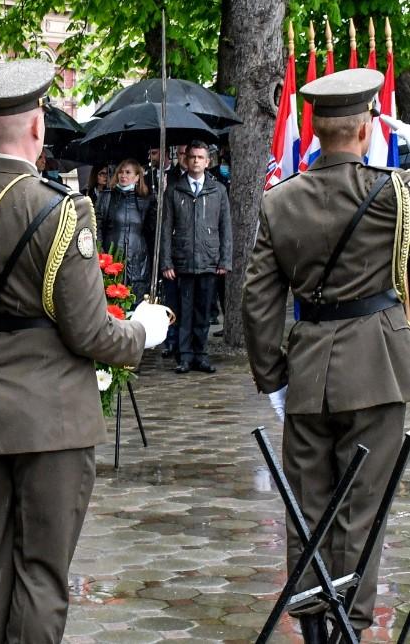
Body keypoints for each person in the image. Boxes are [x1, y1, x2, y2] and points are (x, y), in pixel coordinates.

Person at [0, 59, 170, 643]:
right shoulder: (62, 208)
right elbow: (91, 333)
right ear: (39, 128)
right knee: (42, 575)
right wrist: (144, 333)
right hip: (53, 417)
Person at [242, 68, 410, 642]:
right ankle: (351, 628)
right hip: (381, 372)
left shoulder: (279, 202)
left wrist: (271, 372)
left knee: (307, 508)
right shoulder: (393, 194)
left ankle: (315, 628)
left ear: (312, 131)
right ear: (367, 129)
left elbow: (258, 298)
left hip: (310, 371)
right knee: (363, 511)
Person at [160, 140, 231, 374]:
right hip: (182, 258)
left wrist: (225, 259)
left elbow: (225, 227)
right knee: (184, 310)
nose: (197, 161)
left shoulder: (218, 190)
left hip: (209, 259)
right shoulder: (174, 189)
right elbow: (166, 228)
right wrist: (166, 261)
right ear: (186, 160)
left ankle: (201, 354)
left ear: (208, 162)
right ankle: (185, 356)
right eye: (193, 157)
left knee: (204, 310)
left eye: (201, 158)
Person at [94, 158, 156, 302]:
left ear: (137, 177)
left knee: (135, 303)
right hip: (112, 256)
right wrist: (101, 253)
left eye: (128, 172)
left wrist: (158, 201)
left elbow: (151, 230)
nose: (123, 175)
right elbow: (97, 226)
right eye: (121, 172)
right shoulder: (107, 197)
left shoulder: (146, 199)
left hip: (138, 261)